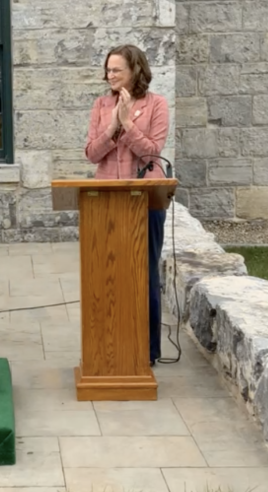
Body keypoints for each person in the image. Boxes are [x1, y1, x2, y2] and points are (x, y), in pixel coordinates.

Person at [84, 44, 170, 366]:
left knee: (144, 274)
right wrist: (111, 127)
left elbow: (151, 152)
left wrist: (128, 123)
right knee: (109, 274)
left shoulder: (156, 104)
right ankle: (111, 342)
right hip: (106, 201)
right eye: (108, 70)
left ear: (135, 70)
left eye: (117, 69)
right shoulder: (100, 105)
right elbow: (92, 152)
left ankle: (147, 350)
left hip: (146, 202)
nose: (110, 75)